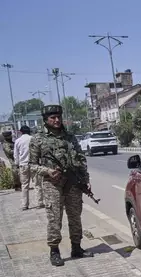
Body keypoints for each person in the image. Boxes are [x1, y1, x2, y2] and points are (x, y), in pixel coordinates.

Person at [29, 105, 94, 266]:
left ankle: (77, 248)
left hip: (73, 183)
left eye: (58, 117)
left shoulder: (70, 137)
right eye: (53, 117)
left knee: (75, 216)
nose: (57, 120)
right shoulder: (37, 139)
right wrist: (47, 171)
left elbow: (80, 159)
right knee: (54, 219)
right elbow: (30, 165)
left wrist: (86, 179)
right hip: (52, 184)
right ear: (45, 120)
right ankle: (54, 251)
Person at [14, 125, 44, 210]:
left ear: (21, 132)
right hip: (34, 165)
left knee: (24, 186)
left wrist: (17, 164)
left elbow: (16, 155)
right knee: (37, 185)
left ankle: (25, 205)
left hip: (23, 165)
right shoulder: (33, 139)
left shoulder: (17, 141)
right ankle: (39, 203)